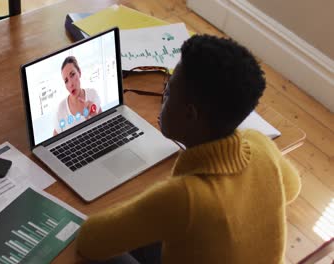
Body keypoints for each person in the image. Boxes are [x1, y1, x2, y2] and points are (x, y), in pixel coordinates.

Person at [76, 34, 301, 264]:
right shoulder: (260, 144)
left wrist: (147, 205)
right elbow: (292, 187)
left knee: (87, 256)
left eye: (169, 91)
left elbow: (89, 240)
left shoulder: (184, 198)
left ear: (189, 114)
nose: (164, 98)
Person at [53, 56, 102, 136]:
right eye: (66, 81)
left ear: (79, 72)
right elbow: (54, 141)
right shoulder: (61, 109)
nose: (70, 84)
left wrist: (93, 116)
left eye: (72, 75)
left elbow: (103, 126)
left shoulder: (93, 94)